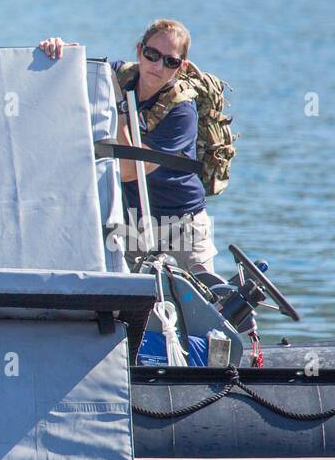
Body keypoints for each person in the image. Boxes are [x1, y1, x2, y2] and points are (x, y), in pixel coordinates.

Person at [40, 20, 218, 274]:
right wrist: (59, 52)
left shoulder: (182, 110)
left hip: (181, 222)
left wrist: (120, 113)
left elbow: (128, 171)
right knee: (133, 304)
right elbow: (77, 71)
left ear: (182, 66)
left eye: (170, 61)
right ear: (139, 50)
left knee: (201, 297)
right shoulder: (117, 77)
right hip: (134, 222)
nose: (157, 66)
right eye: (152, 55)